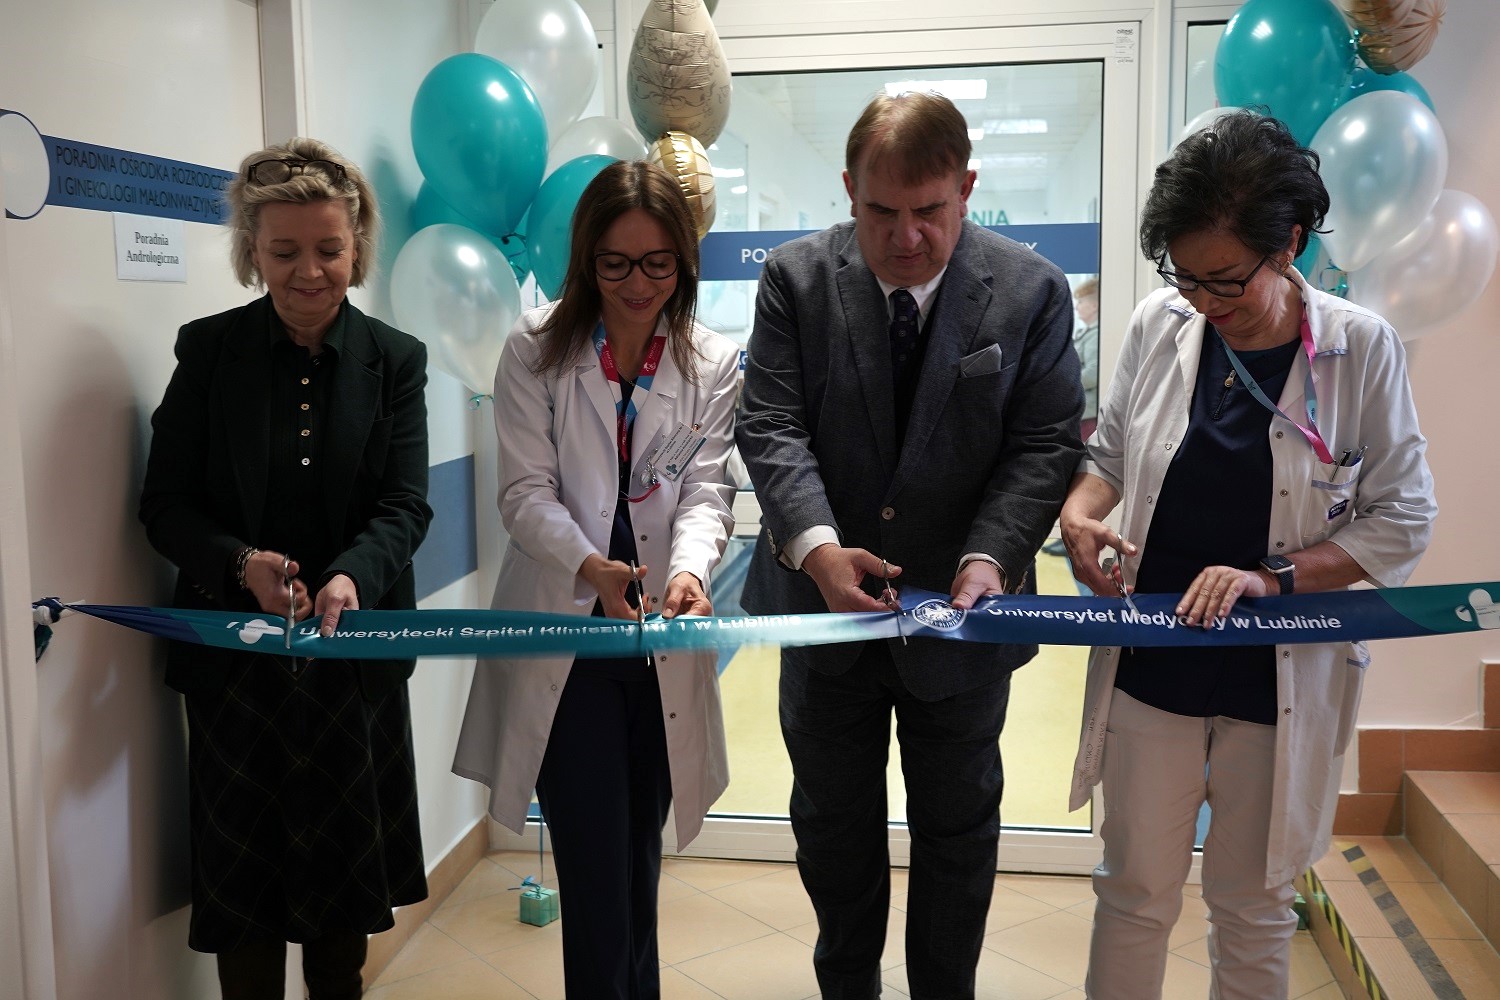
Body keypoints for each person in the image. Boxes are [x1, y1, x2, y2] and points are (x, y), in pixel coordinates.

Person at [1058, 110, 1435, 1000]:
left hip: (1280, 676)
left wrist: (1273, 579)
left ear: (1290, 243)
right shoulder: (1160, 324)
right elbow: (1109, 460)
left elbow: (1403, 518)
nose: (1204, 300)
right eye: (1185, 275)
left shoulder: (1360, 348)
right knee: (1134, 892)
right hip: (1156, 662)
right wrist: (1079, 516)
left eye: (1226, 279)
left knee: (1254, 903)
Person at [735, 91, 1085, 999]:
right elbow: (770, 424)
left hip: (962, 628)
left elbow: (1045, 444)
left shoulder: (1032, 291)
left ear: (966, 188)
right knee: (832, 832)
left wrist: (989, 558)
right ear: (848, 189)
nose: (906, 238)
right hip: (825, 621)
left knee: (958, 836)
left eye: (929, 211)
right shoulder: (795, 280)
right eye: (880, 211)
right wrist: (818, 549)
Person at [138, 138, 433, 999]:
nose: (309, 272)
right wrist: (240, 564)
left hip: (353, 664)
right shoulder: (207, 352)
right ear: (251, 252)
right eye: (284, 251)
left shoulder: (397, 359)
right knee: (246, 913)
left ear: (357, 247)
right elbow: (164, 505)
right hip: (235, 670)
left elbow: (405, 506)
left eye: (329, 249)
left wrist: (351, 577)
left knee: (342, 925)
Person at [452, 160, 738, 1000]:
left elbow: (707, 491)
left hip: (658, 644)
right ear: (585, 260)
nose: (638, 284)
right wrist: (590, 565)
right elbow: (523, 493)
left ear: (684, 262)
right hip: (567, 639)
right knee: (596, 876)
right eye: (615, 263)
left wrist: (688, 573)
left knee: (637, 867)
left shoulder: (711, 362)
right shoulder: (534, 349)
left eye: (658, 263)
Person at [1073, 276, 1100, 440]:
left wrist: (1065, 382)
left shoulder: (1095, 335)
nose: (1077, 307)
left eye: (1081, 302)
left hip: (1089, 415)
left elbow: (1092, 373)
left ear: (1094, 306)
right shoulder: (1086, 333)